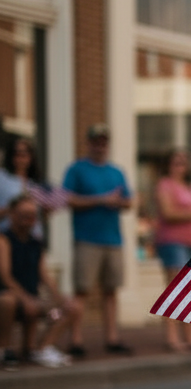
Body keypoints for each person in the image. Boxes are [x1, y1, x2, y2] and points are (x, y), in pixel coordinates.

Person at [62, 124, 133, 356]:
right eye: (96, 141)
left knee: (110, 290)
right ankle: (76, 339)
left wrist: (117, 202)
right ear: (89, 143)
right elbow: (68, 199)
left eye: (103, 141)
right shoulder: (77, 169)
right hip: (86, 239)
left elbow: (129, 201)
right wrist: (101, 199)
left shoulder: (116, 172)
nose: (100, 145)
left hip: (113, 239)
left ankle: (112, 338)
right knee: (81, 289)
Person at [0, 195, 82, 368]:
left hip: (33, 298)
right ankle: (4, 348)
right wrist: (24, 298)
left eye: (32, 215)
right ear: (13, 215)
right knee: (7, 301)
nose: (29, 220)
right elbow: (5, 276)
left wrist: (58, 297)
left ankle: (42, 348)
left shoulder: (36, 243)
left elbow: (44, 275)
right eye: (24, 215)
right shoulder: (4, 240)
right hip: (12, 298)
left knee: (70, 307)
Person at [153, 149, 191, 351]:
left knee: (190, 290)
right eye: (176, 162)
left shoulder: (189, 187)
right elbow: (168, 213)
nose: (180, 167)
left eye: (184, 162)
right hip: (172, 241)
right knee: (175, 289)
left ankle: (190, 335)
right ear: (168, 165)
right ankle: (171, 336)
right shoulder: (164, 185)